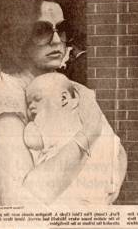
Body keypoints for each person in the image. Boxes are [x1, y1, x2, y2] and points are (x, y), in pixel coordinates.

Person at [0, 0, 127, 207]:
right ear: (19, 35)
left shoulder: (73, 88)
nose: (57, 40)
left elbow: (117, 155)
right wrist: (88, 134)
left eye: (62, 30)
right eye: (42, 30)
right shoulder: (5, 101)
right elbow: (16, 202)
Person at [24, 73, 120, 205]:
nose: (31, 107)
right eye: (29, 103)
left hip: (71, 187)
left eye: (37, 99)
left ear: (63, 98)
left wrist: (30, 125)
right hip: (97, 185)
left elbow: (32, 140)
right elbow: (115, 146)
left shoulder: (51, 118)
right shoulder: (86, 108)